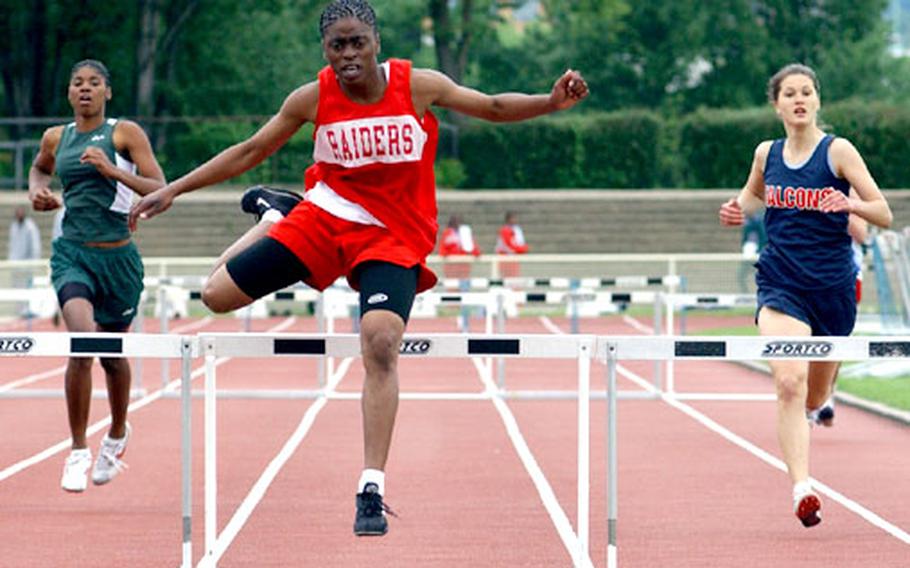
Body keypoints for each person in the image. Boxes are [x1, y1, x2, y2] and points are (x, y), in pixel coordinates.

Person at [129, 0, 588, 537]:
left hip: (394, 234)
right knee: (215, 296)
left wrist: (550, 102)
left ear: (376, 41)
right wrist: (172, 190)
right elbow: (251, 149)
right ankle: (277, 215)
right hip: (325, 217)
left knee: (379, 340)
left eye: (357, 43)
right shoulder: (312, 97)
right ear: (325, 49)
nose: (348, 54)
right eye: (337, 45)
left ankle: (370, 485)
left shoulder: (418, 85)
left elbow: (491, 105)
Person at [718, 63, 891, 528]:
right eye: (790, 93)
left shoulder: (838, 152)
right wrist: (738, 211)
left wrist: (851, 202)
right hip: (782, 283)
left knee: (815, 395)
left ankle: (819, 404)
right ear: (776, 104)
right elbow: (753, 197)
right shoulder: (765, 154)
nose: (799, 99)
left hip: (833, 289)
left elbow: (884, 212)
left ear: (817, 101)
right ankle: (802, 488)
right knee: (789, 382)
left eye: (807, 92)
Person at [28, 59, 166, 493]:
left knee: (111, 356)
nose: (85, 89)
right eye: (77, 83)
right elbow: (39, 169)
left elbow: (159, 186)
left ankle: (118, 431)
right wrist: (39, 193)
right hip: (73, 255)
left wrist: (111, 170)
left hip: (119, 261)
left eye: (94, 83)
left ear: (108, 91)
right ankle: (77, 449)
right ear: (69, 93)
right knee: (81, 342)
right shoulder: (56, 136)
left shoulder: (125, 133)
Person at [7, 205, 42, 316]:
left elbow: (35, 247)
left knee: (28, 288)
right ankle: (20, 311)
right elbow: (12, 245)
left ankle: (28, 311)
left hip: (27, 264)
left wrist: (33, 263)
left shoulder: (30, 227)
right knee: (17, 288)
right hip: (15, 264)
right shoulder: (13, 226)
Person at [439, 214, 481, 280]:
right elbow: (442, 248)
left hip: (463, 265)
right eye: (455, 221)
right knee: (452, 285)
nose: (457, 223)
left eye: (458, 222)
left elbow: (472, 247)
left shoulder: (465, 233)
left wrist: (476, 253)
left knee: (464, 287)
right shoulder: (447, 233)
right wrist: (445, 254)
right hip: (451, 266)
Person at [737, 210, 766, 293]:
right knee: (741, 275)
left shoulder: (759, 222)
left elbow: (763, 238)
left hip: (757, 255)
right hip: (748, 255)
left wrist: (759, 250)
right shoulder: (747, 222)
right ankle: (745, 293)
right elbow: (745, 238)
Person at [494, 210, 529, 278]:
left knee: (514, 277)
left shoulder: (517, 229)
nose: (514, 220)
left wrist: (522, 248)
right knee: (504, 277)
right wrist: (519, 249)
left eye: (514, 218)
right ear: (507, 219)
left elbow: (520, 242)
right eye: (512, 218)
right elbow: (508, 244)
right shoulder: (504, 230)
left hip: (514, 257)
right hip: (505, 257)